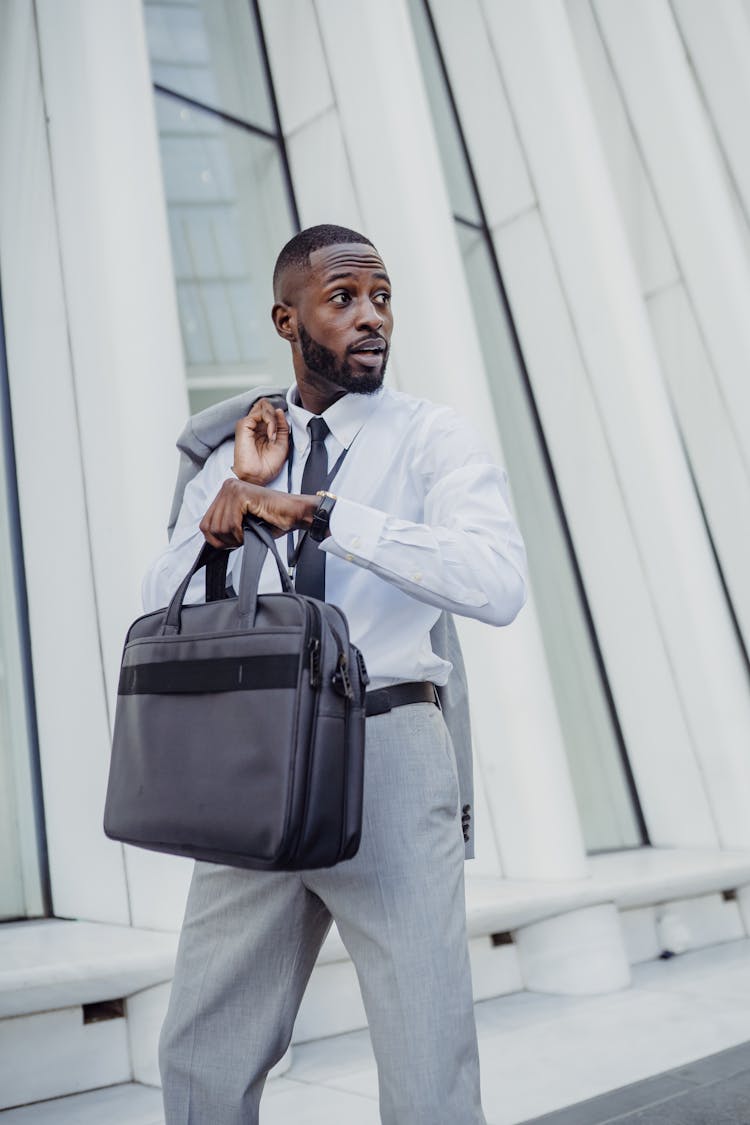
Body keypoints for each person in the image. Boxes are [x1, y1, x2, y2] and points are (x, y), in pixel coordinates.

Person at [145, 223, 527, 1124]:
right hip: (258, 755)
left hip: (388, 746)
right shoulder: (239, 445)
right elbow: (158, 599)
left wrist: (321, 512)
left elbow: (497, 582)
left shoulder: (434, 437)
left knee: (426, 1047)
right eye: (344, 299)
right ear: (288, 318)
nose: (372, 319)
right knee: (202, 1044)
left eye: (383, 298)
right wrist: (231, 508)